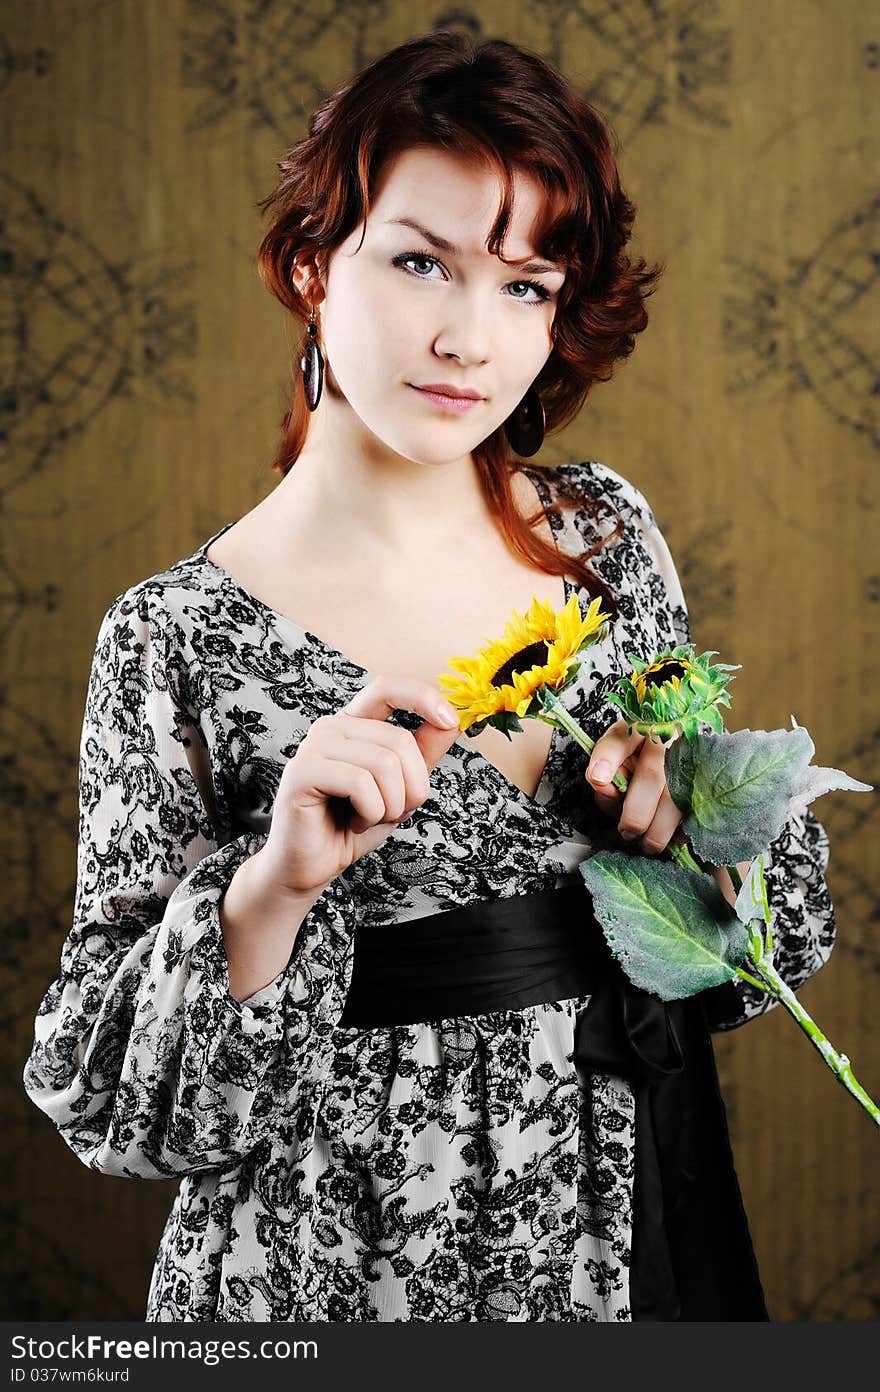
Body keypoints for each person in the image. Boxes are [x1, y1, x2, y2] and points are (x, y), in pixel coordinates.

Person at [22, 32, 837, 1323]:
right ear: (310, 264)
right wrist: (273, 885)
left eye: (525, 285)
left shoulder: (602, 536)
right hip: (329, 1263)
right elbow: (106, 1095)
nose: (469, 337)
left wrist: (701, 830)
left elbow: (748, 954)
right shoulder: (171, 636)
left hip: (629, 1221)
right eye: (419, 263)